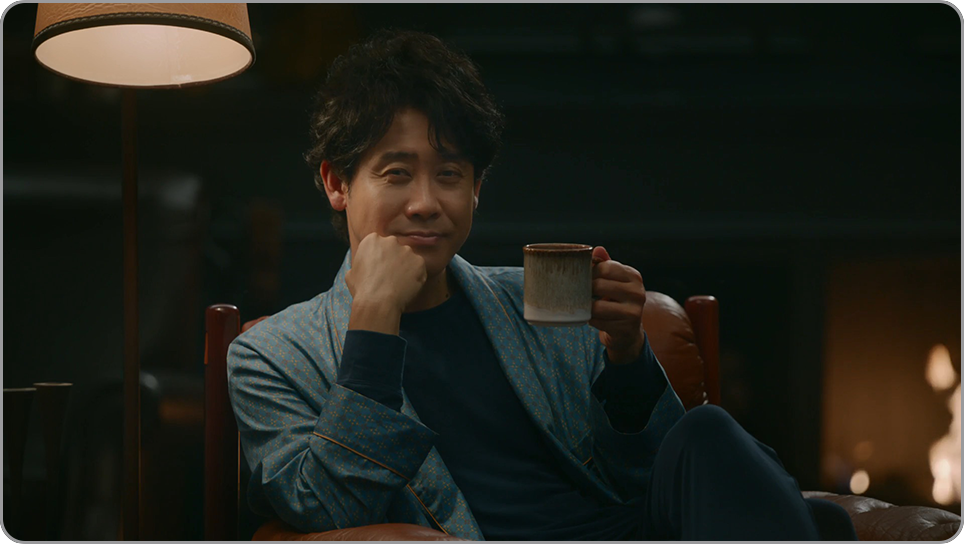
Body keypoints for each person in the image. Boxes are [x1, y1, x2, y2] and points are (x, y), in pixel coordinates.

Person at [227, 29, 857, 540]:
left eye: (450, 175)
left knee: (707, 430)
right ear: (337, 184)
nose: (425, 203)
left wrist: (627, 357)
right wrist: (373, 321)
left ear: (476, 189)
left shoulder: (537, 300)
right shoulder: (270, 354)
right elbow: (328, 512)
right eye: (396, 174)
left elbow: (645, 480)